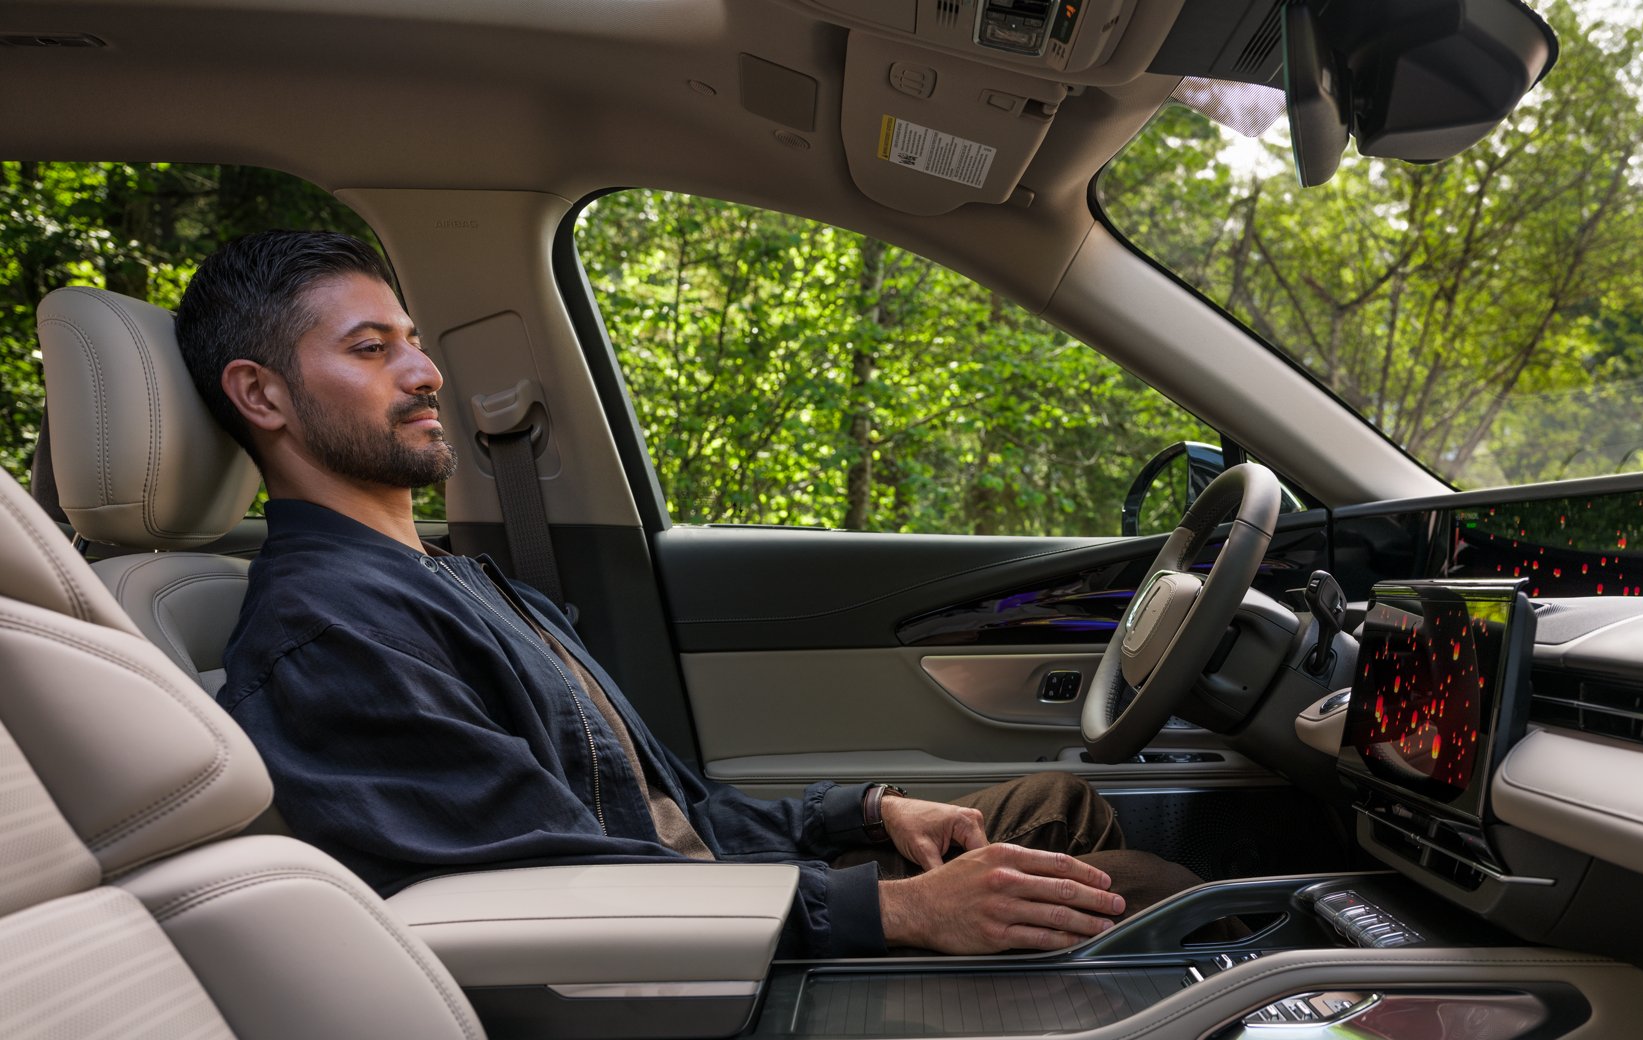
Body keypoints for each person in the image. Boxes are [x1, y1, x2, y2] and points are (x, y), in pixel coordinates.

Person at [178, 229, 1203, 957]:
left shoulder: (445, 578)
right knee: (1171, 907)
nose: (425, 371)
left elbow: (675, 814)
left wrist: (867, 810)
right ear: (260, 394)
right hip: (690, 975)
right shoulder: (332, 635)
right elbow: (543, 897)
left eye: (411, 339)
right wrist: (899, 915)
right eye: (370, 349)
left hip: (710, 900)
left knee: (1051, 806)